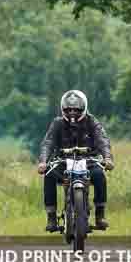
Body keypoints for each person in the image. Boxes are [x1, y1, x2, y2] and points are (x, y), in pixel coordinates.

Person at [37, 89, 114, 232]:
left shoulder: (92, 122)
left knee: (99, 175)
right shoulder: (57, 123)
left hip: (89, 161)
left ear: (83, 108)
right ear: (63, 109)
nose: (72, 112)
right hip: (62, 162)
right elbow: (48, 143)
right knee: (48, 175)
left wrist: (107, 158)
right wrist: (43, 162)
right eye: (68, 109)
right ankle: (51, 217)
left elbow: (102, 140)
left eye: (76, 109)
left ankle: (100, 215)